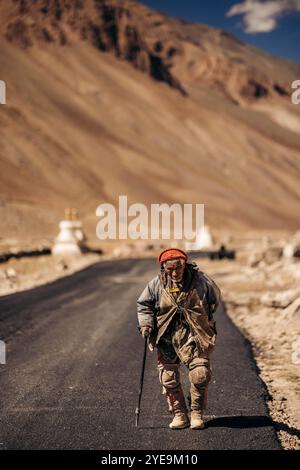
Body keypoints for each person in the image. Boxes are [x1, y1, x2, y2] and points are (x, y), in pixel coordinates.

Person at [137, 248, 221, 430]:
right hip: (166, 337)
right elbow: (144, 305)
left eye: (179, 267)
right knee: (168, 378)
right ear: (163, 268)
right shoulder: (156, 284)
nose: (175, 273)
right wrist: (146, 324)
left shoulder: (201, 281)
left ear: (185, 265)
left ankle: (197, 413)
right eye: (170, 269)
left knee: (200, 374)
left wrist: (200, 319)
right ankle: (180, 414)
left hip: (195, 335)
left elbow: (213, 302)